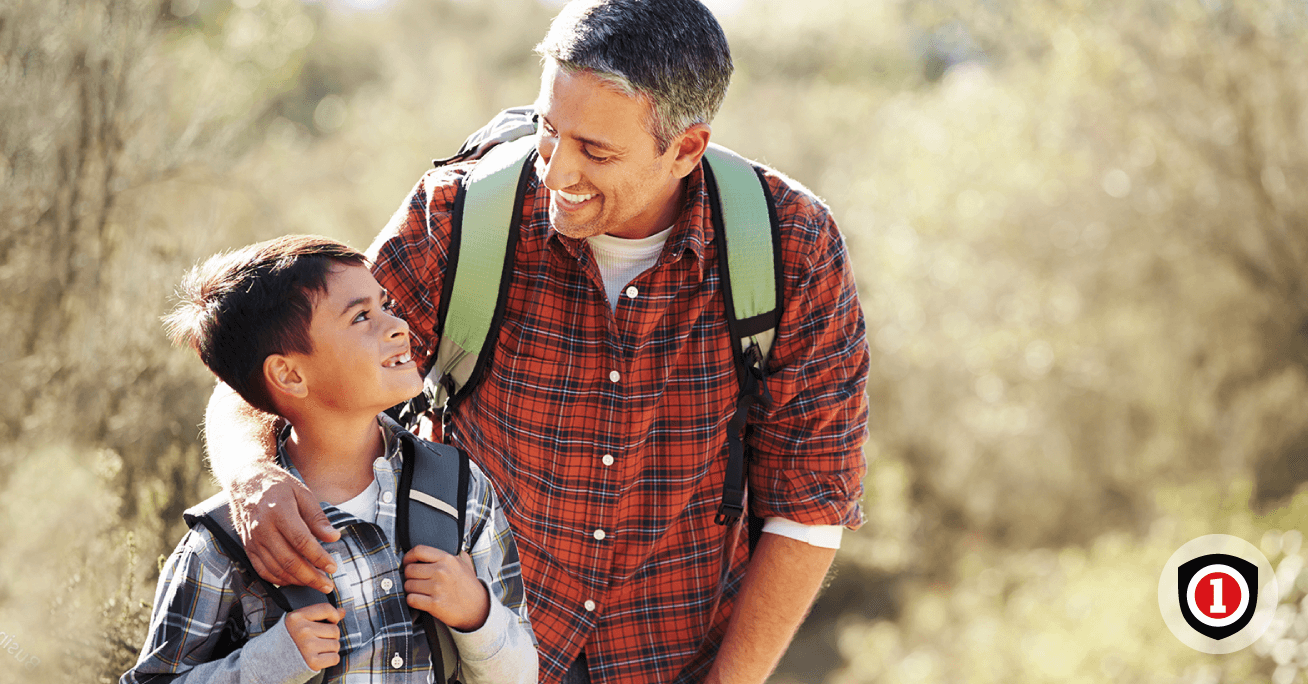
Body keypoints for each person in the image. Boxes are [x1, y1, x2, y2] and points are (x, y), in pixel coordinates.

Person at [204, 1, 870, 682]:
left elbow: (810, 502)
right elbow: (284, 370)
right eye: (551, 131)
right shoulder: (460, 214)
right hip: (469, 655)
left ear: (687, 149)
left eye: (596, 152)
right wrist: (251, 475)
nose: (554, 175)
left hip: (676, 661)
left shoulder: (792, 245)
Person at [124, 236, 537, 684]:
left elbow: (521, 673)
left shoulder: (458, 489)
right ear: (289, 375)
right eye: (361, 317)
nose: (398, 324)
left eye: (385, 305)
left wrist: (477, 614)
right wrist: (268, 663)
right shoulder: (227, 545)